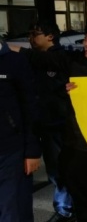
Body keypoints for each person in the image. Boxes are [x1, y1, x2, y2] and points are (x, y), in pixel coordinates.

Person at [11, 17, 87, 222]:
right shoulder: (74, 61)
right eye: (85, 39)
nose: (86, 44)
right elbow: (36, 57)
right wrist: (6, 49)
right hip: (79, 149)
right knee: (84, 205)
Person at [28, 20, 76, 222]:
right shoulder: (35, 61)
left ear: (50, 36)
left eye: (35, 33)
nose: (31, 38)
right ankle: (66, 205)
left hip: (60, 123)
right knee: (55, 169)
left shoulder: (62, 58)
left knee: (61, 168)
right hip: (44, 123)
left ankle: (66, 208)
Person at [0, 37, 42, 222]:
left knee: (13, 211)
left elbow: (30, 107)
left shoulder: (15, 61)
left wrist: (32, 151)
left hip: (11, 151)